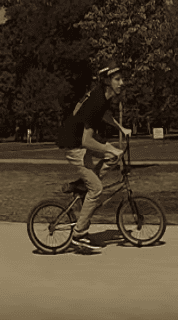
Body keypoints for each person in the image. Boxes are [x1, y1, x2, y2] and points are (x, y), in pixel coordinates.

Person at [56, 60, 131, 249]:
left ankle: (80, 185)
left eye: (122, 79)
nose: (122, 83)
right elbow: (86, 141)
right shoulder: (96, 101)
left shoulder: (103, 97)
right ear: (107, 81)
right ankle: (79, 234)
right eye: (117, 79)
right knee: (96, 189)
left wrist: (120, 127)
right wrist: (109, 148)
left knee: (114, 156)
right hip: (75, 146)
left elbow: (104, 115)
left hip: (79, 143)